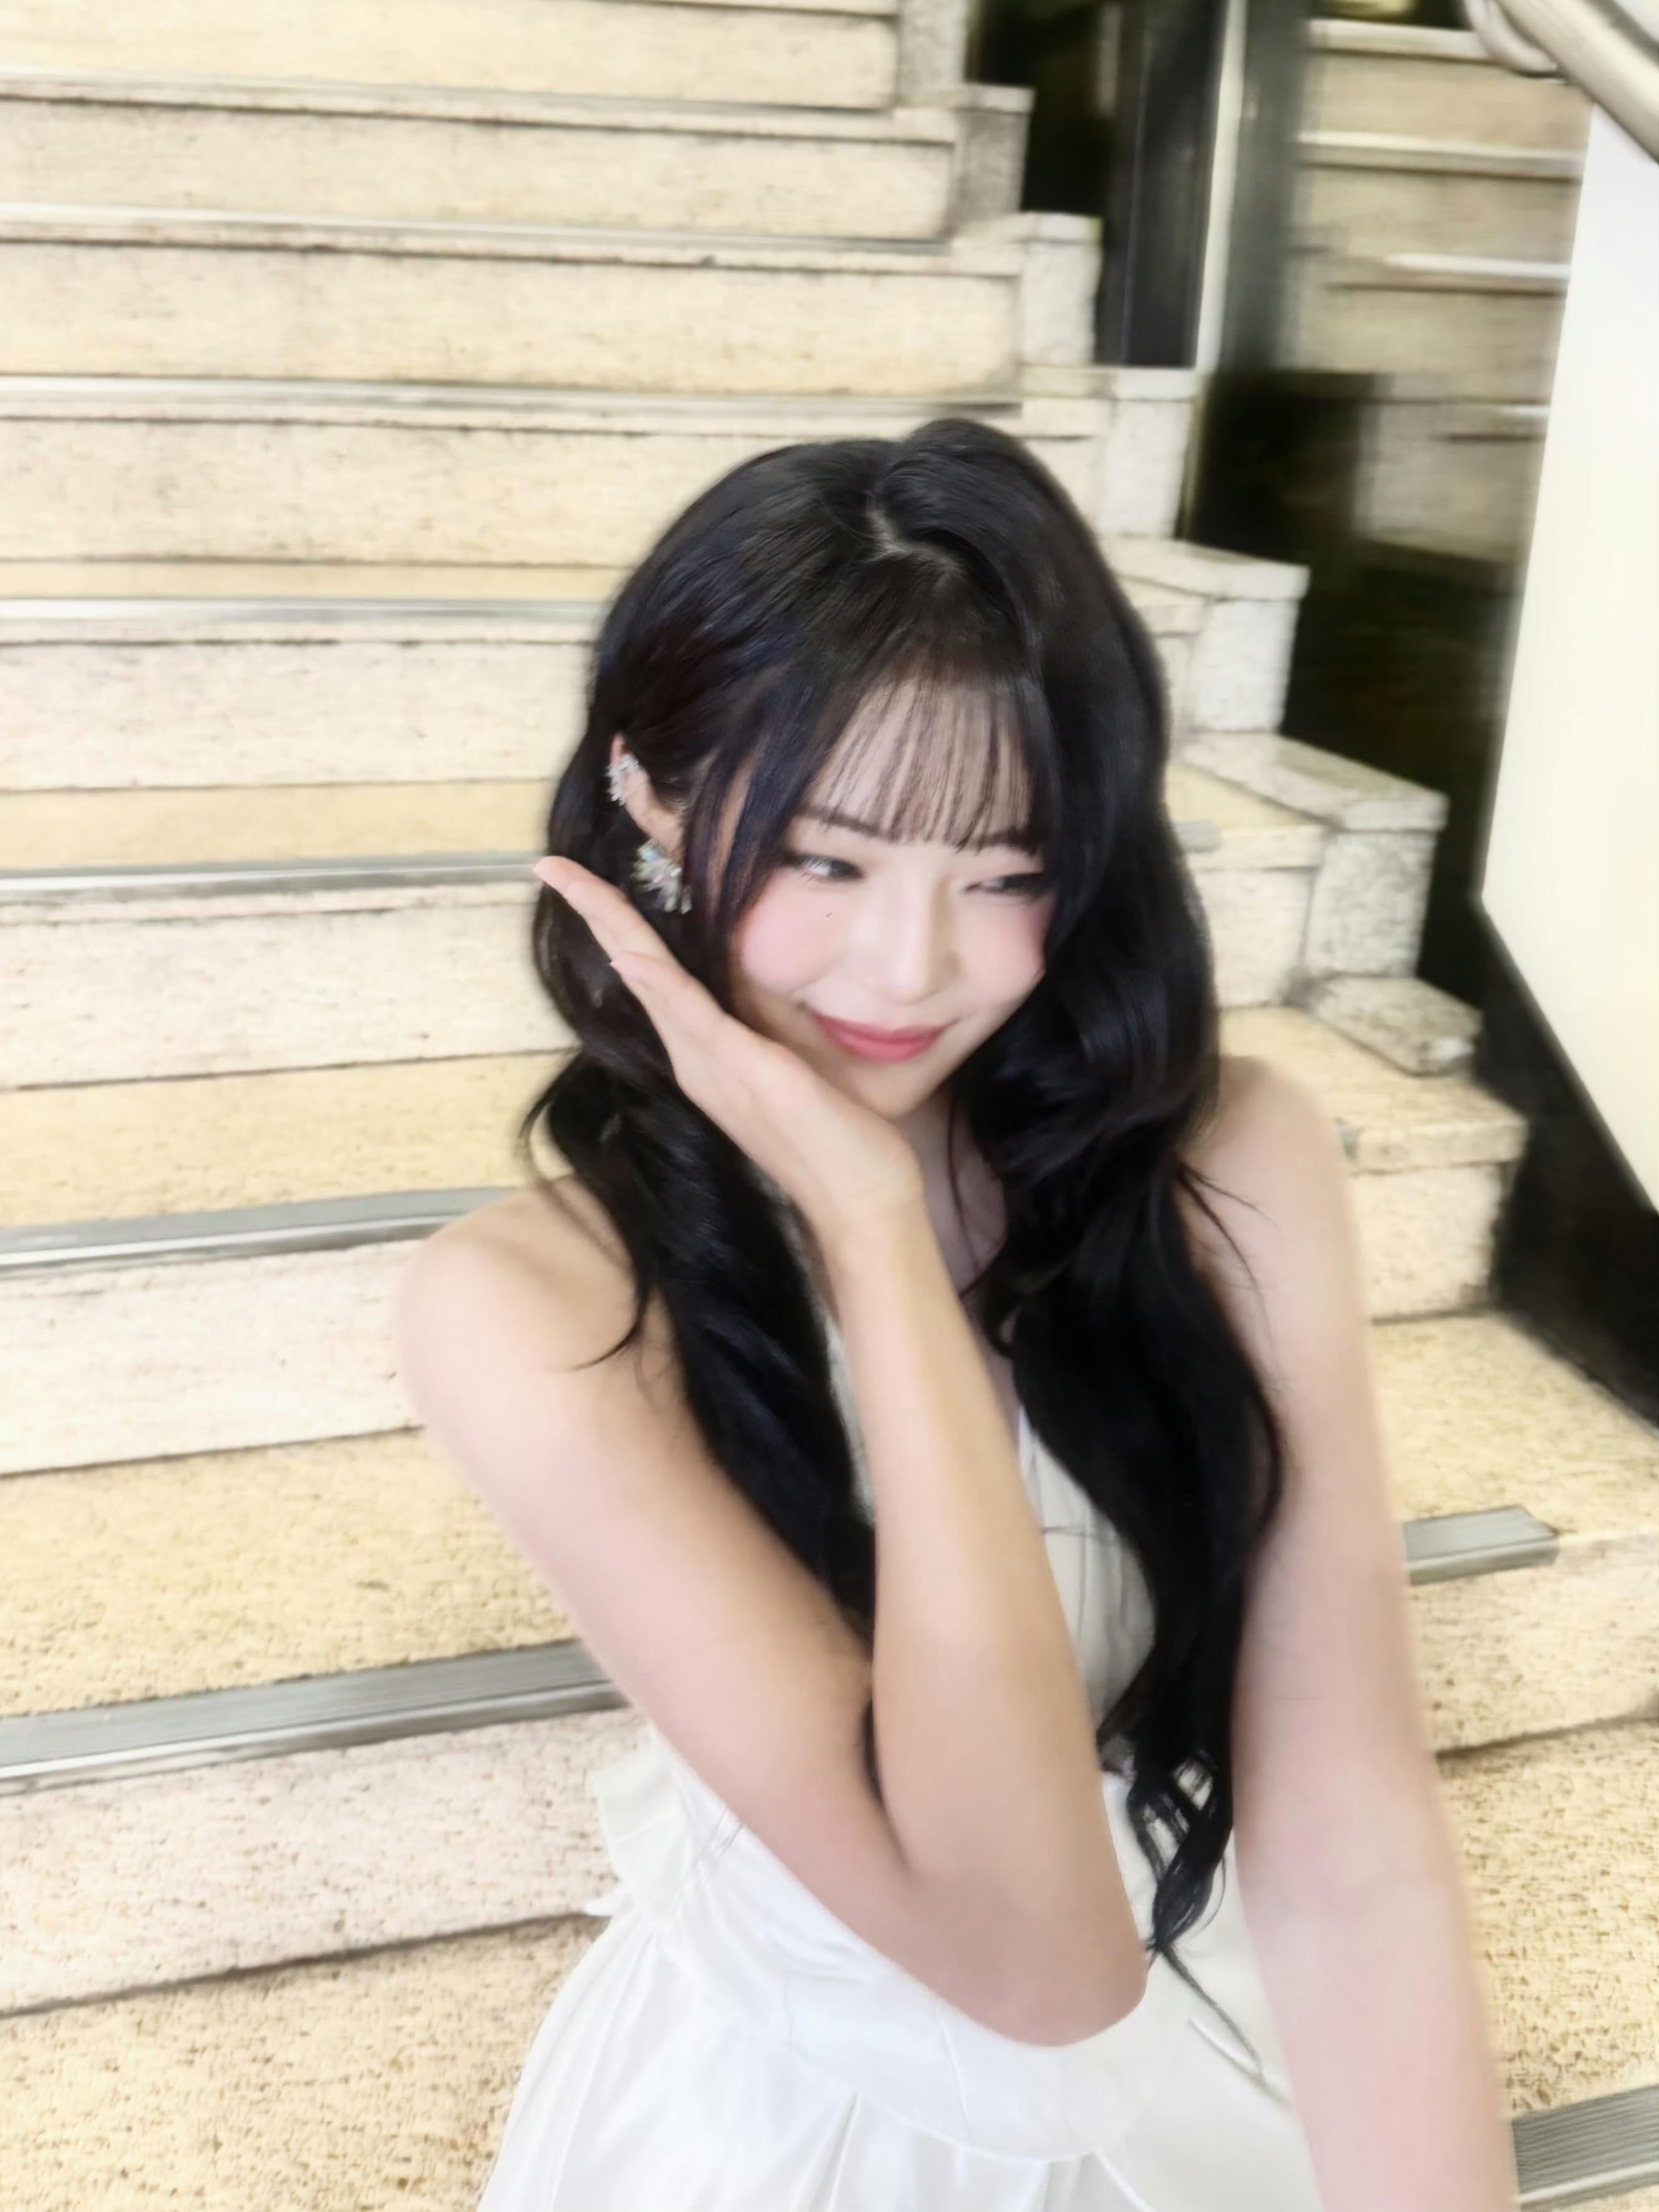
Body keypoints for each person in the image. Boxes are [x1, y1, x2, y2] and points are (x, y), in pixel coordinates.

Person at [394, 418, 1522, 2210]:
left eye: (1004, 872)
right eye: (826, 860)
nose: (911, 968)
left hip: (1204, 2047)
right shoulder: (533, 1310)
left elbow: (1356, 1845)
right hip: (791, 2131)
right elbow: (1030, 1964)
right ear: (652, 799)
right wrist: (869, 1229)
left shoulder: (1230, 1160)